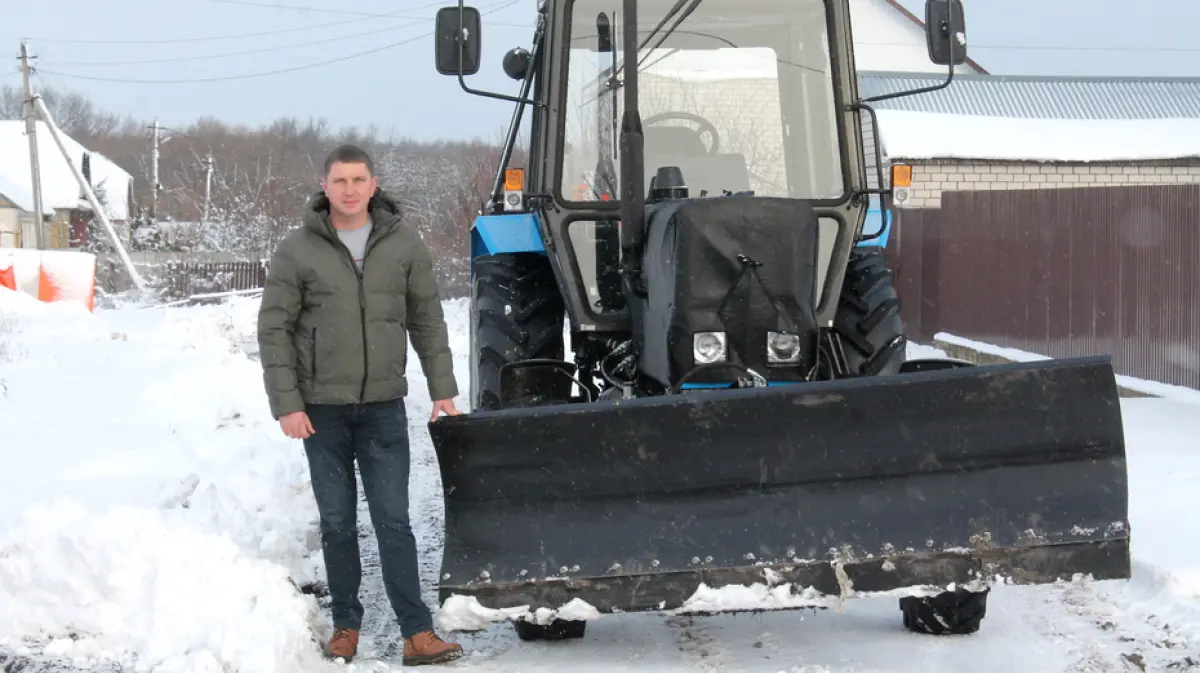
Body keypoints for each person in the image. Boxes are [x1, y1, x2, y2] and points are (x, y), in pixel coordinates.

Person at [257, 143, 464, 666]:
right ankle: (345, 625)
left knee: (394, 519)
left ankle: (416, 632)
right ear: (324, 187)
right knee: (337, 522)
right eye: (339, 181)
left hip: (382, 409)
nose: (349, 190)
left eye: (358, 180)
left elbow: (428, 320)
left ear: (374, 185)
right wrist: (287, 403)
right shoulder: (298, 249)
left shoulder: (403, 245)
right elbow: (274, 330)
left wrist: (442, 388)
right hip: (320, 410)